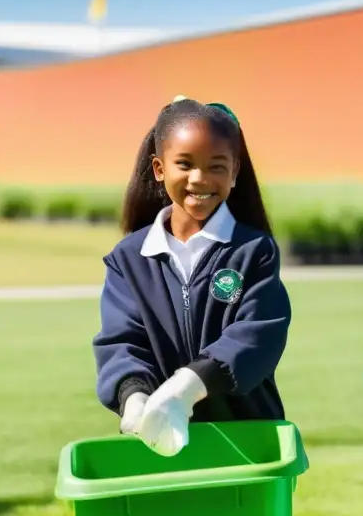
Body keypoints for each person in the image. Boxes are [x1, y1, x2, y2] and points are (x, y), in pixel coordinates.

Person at [93, 96, 291, 457]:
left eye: (216, 166)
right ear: (158, 168)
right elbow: (121, 343)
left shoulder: (254, 251)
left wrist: (187, 387)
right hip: (157, 447)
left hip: (246, 444)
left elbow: (257, 335)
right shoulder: (128, 260)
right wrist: (134, 398)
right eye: (184, 164)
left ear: (235, 172)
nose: (200, 179)